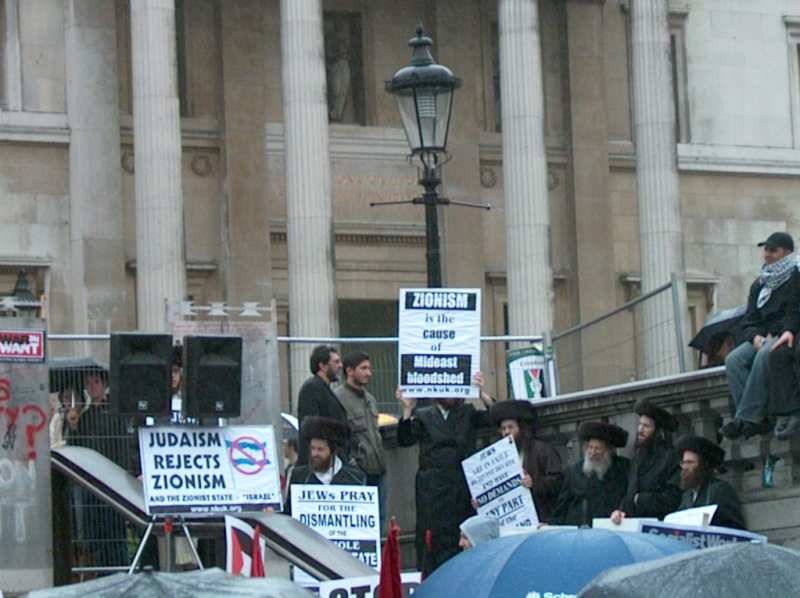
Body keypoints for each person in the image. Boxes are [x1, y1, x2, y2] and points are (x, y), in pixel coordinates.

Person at [396, 375, 494, 574]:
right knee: (433, 542)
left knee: (459, 540)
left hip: (461, 489)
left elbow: (495, 418)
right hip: (432, 492)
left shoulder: (468, 412)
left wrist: (481, 393)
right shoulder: (423, 415)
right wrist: (407, 408)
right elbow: (405, 439)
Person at [721, 232, 800, 440]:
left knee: (766, 354)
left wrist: (785, 331)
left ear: (787, 252)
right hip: (762, 335)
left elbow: (794, 311)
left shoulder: (796, 276)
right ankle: (754, 417)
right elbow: (749, 319)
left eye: (773, 250)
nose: (767, 254)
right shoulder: (760, 284)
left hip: (785, 335)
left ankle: (745, 419)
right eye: (766, 249)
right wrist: (754, 336)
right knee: (734, 360)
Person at [335, 351, 387, 525]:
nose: (368, 373)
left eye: (369, 368)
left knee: (378, 522)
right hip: (356, 472)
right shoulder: (338, 398)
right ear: (350, 371)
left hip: (378, 469)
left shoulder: (370, 399)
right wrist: (352, 462)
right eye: (363, 368)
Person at [489, 399, 562, 522]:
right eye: (503, 429)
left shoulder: (543, 450)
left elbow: (557, 483)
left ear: (521, 428)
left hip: (540, 518)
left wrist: (534, 483)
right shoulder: (497, 457)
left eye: (510, 427)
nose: (506, 432)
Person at [610, 399, 681, 524]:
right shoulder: (638, 457)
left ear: (658, 431)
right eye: (640, 424)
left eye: (646, 426)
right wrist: (621, 511)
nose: (640, 430)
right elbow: (630, 493)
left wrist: (640, 499)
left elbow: (673, 498)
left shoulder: (670, 458)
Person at [549, 422, 630, 527]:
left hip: (611, 528)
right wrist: (551, 526)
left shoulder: (623, 469)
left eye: (597, 448)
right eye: (590, 447)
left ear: (608, 451)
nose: (592, 452)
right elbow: (561, 508)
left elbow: (628, 498)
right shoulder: (574, 472)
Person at [285, 416, 366, 515]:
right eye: (312, 448)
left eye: (320, 449)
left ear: (333, 451)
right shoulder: (299, 476)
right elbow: (288, 513)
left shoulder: (355, 479)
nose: (314, 454)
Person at [674, 435, 746, 530]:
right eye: (683, 463)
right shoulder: (687, 495)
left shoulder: (721, 490)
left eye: (690, 462)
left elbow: (734, 526)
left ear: (704, 464)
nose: (685, 467)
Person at [296, 345, 347, 464]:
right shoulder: (312, 388)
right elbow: (311, 428)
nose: (340, 366)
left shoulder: (324, 389)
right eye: (336, 362)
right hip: (319, 464)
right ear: (323, 366)